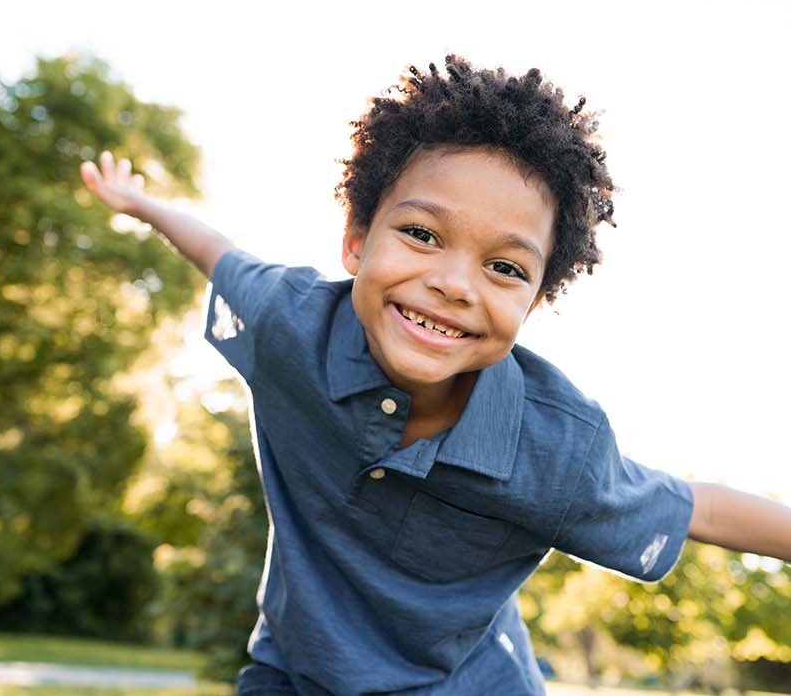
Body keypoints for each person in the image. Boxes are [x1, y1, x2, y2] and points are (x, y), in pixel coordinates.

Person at [78, 55, 791, 695]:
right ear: (356, 240)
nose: (453, 283)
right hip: (294, 674)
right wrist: (142, 205)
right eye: (422, 234)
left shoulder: (556, 448)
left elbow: (697, 509)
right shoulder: (289, 323)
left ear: (535, 302)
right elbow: (219, 252)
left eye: (505, 268)